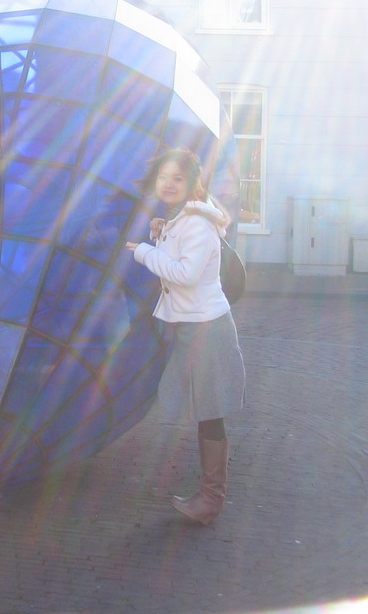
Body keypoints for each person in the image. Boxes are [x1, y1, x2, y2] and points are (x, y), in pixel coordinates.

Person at [125, 148, 245, 526]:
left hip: (206, 329)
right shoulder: (185, 216)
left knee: (210, 414)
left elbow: (186, 274)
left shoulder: (195, 221)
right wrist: (162, 232)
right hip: (193, 325)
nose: (169, 184)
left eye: (177, 178)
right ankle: (209, 497)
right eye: (163, 177)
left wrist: (144, 253)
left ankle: (211, 500)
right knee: (203, 412)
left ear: (192, 181)